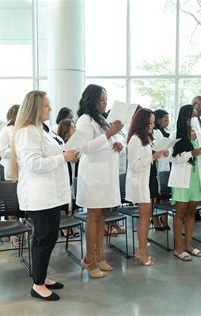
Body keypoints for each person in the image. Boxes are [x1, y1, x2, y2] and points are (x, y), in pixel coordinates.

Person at [11, 90, 78, 301]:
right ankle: (37, 285)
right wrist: (62, 157)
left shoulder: (42, 130)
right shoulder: (26, 132)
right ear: (35, 108)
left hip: (50, 193)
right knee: (44, 239)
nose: (50, 109)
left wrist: (68, 156)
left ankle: (41, 276)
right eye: (47, 106)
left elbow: (53, 154)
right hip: (39, 195)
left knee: (47, 237)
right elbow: (33, 164)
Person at [75, 84, 124, 278]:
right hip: (94, 175)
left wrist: (118, 143)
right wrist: (109, 134)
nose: (105, 103)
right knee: (94, 216)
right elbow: (85, 147)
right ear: (91, 100)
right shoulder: (84, 120)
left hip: (107, 174)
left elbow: (110, 141)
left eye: (106, 99)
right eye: (102, 99)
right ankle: (89, 259)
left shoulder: (102, 119)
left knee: (102, 215)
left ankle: (101, 255)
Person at [126, 108, 168, 265]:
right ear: (142, 122)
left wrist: (158, 154)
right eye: (149, 123)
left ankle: (142, 250)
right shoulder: (135, 140)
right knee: (144, 218)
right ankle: (142, 252)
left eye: (153, 122)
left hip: (148, 180)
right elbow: (134, 165)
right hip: (139, 183)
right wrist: (153, 156)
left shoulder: (146, 138)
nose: (152, 126)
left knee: (147, 216)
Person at [169, 104, 201, 261]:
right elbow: (172, 158)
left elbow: (199, 157)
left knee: (192, 212)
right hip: (181, 180)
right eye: (193, 115)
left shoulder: (197, 134)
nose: (196, 118)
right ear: (186, 117)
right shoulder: (175, 134)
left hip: (194, 178)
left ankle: (189, 245)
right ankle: (178, 248)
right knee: (180, 214)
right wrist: (190, 153)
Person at [57, 118, 80, 237]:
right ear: (65, 130)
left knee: (75, 198)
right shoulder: (59, 144)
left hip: (76, 175)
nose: (75, 128)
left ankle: (74, 224)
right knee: (64, 201)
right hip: (64, 177)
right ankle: (64, 226)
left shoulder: (78, 143)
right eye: (72, 127)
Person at [151, 109, 171, 230]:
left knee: (165, 195)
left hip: (165, 165)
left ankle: (164, 218)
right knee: (156, 196)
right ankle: (155, 218)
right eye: (165, 119)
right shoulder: (154, 132)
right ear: (158, 120)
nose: (167, 122)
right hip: (157, 165)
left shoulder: (165, 132)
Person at [0, 104, 20, 181]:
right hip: (12, 172)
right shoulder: (6, 130)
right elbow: (2, 152)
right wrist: (20, 148)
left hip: (26, 172)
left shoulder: (26, 129)